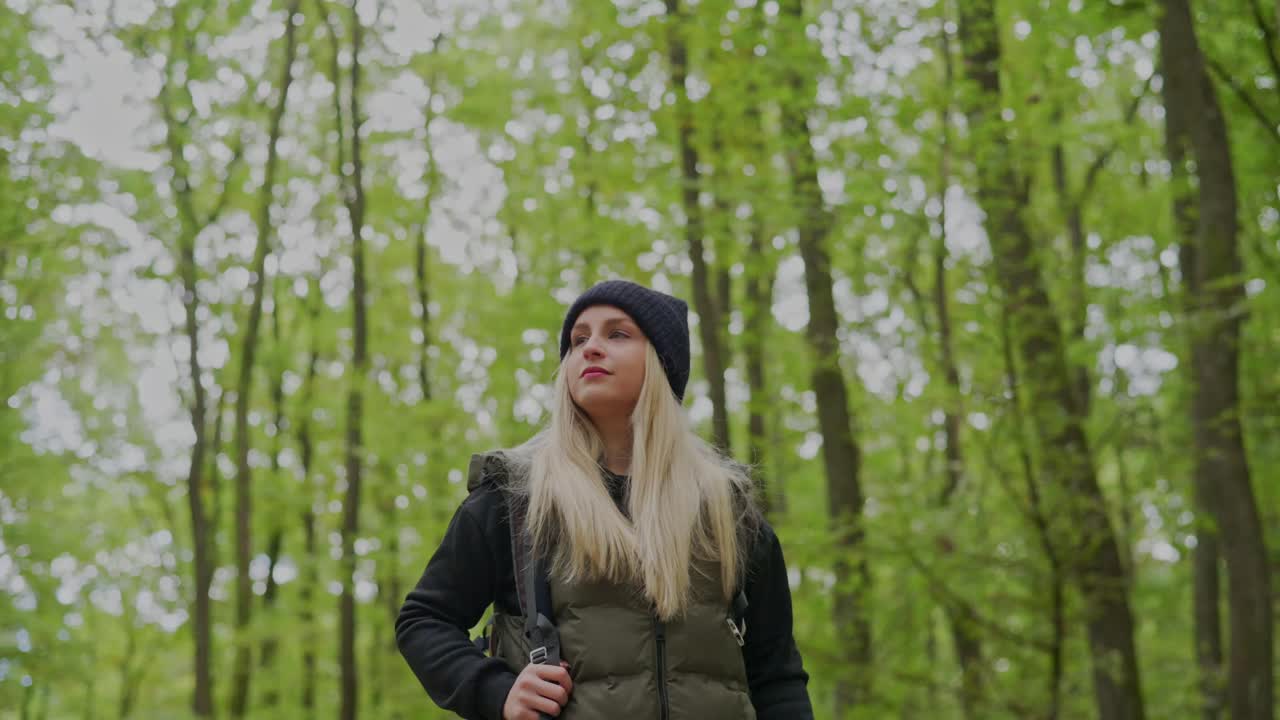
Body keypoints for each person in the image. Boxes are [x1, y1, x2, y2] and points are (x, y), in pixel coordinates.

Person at [395, 279, 813, 720]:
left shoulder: (730, 516)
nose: (590, 348)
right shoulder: (516, 501)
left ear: (662, 363)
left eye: (617, 334)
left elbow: (777, 678)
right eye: (578, 340)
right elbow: (424, 620)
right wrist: (496, 693)